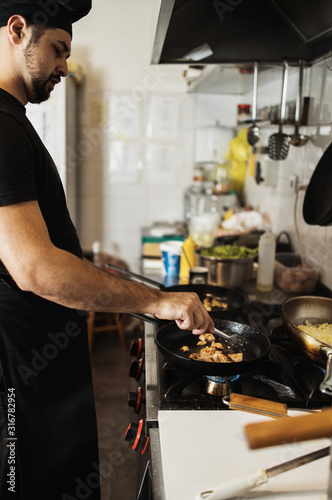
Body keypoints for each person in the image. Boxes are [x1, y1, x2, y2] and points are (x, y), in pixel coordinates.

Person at [0, 1, 214, 499]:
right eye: (57, 49)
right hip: (24, 372)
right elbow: (32, 267)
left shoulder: (13, 121)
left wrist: (118, 280)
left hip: (43, 364)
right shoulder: (2, 126)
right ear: (16, 30)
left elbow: (46, 250)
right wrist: (156, 302)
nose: (63, 67)